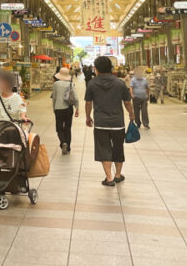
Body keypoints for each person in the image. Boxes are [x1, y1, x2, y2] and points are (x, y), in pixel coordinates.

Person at [85, 55, 133, 186]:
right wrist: (132, 115)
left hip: (101, 123)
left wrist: (88, 117)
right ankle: (118, 175)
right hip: (118, 123)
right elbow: (127, 102)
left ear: (97, 69)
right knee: (118, 148)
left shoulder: (92, 83)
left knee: (103, 149)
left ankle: (109, 177)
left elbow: (88, 102)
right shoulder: (120, 83)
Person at [51, 66, 79, 154]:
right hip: (68, 109)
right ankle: (68, 147)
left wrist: (54, 107)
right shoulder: (70, 84)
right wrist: (77, 108)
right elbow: (76, 97)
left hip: (58, 109)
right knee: (68, 128)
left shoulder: (56, 84)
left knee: (59, 128)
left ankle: (63, 142)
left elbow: (54, 97)